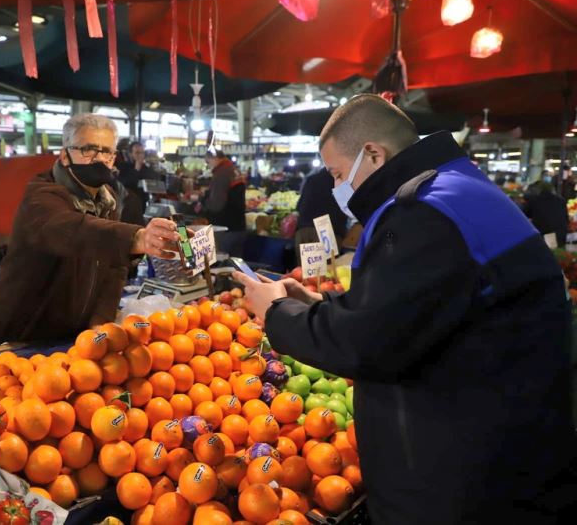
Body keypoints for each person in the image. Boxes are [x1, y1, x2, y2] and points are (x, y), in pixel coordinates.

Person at [233, 95, 576, 525]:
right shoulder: (458, 189)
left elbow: (367, 344)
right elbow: (418, 309)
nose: (340, 189)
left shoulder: (422, 211)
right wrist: (322, 303)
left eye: (339, 174)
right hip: (510, 449)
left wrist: (277, 312)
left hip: (468, 479)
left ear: (373, 153)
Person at [0, 114, 180, 343]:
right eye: (89, 149)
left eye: (106, 151)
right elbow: (72, 231)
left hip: (73, 337)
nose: (99, 159)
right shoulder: (41, 196)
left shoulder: (108, 200)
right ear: (65, 156)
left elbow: (114, 267)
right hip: (20, 336)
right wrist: (136, 237)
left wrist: (100, 322)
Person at [199, 148, 247, 257]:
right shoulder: (232, 169)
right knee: (235, 267)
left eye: (208, 162)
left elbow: (216, 205)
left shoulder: (222, 172)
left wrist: (204, 202)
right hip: (238, 228)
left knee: (220, 267)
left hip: (224, 230)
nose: (208, 166)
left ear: (214, 158)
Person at [294, 168, 348, 257]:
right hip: (328, 234)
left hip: (304, 231)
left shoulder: (311, 179)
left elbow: (299, 206)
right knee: (327, 269)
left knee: (305, 269)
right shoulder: (341, 182)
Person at [117, 141, 163, 209]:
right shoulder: (123, 167)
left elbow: (156, 182)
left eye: (142, 153)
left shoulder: (146, 168)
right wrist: (136, 169)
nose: (140, 155)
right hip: (127, 205)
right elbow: (126, 184)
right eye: (137, 153)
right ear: (130, 154)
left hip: (143, 204)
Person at [524, 179, 569, 247]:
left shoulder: (534, 200)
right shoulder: (561, 200)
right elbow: (566, 218)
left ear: (539, 189)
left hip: (543, 234)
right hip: (561, 234)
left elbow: (526, 215)